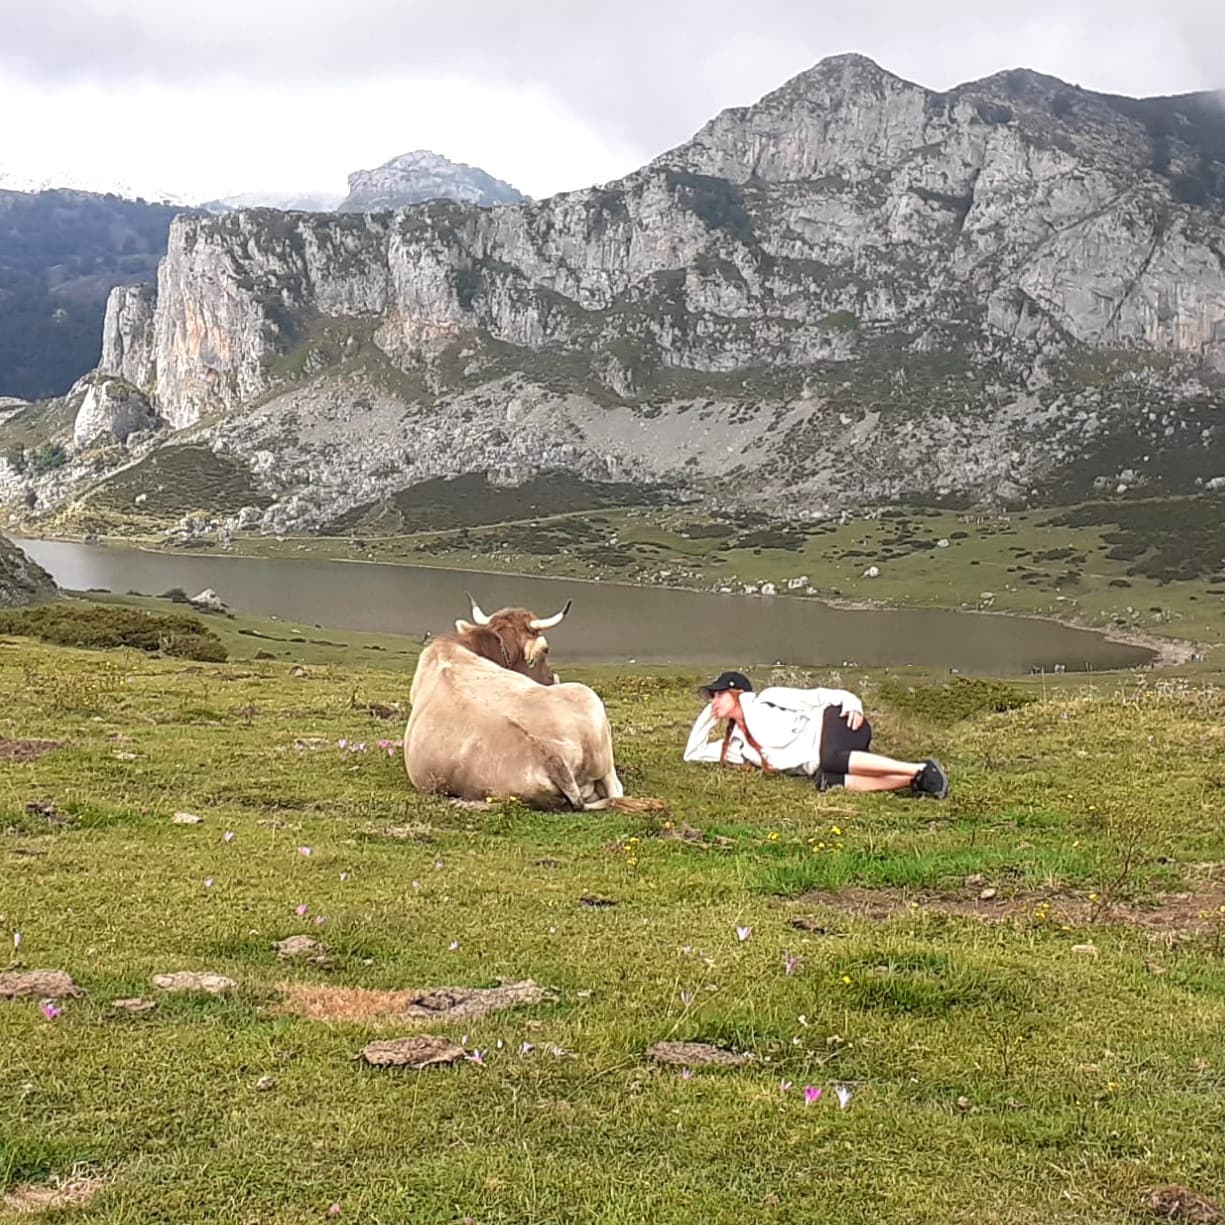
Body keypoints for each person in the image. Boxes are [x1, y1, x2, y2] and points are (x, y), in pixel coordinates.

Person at [682, 670, 950, 798]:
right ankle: (914, 782)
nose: (714, 700)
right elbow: (692, 753)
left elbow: (820, 696)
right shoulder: (738, 747)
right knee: (826, 779)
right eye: (712, 697)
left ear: (739, 693)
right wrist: (709, 713)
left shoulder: (768, 699)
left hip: (838, 722)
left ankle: (919, 768)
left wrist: (853, 704)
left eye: (719, 694)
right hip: (827, 758)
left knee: (831, 758)